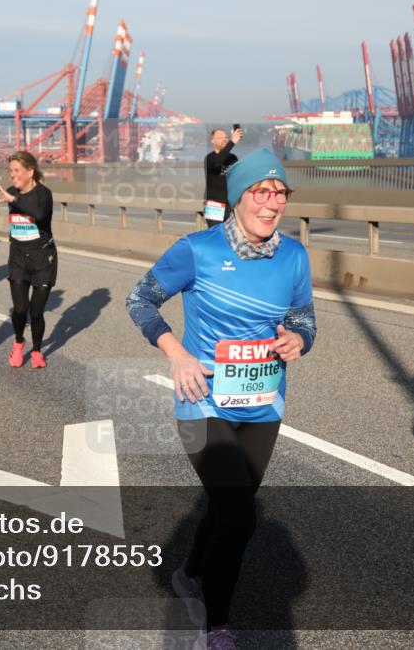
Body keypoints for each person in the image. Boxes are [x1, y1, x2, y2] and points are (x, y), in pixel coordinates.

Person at [126, 148, 315, 650]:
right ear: (239, 197)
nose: (272, 203)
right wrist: (175, 352)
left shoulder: (294, 256)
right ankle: (219, 627)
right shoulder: (197, 250)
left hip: (263, 404)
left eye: (280, 194)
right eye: (261, 192)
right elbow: (139, 298)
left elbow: (303, 318)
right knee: (239, 515)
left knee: (229, 504)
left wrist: (299, 340)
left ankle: (189, 571)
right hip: (201, 401)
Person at [0, 151, 56, 369]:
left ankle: (37, 350)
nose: (12, 175)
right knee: (20, 309)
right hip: (19, 258)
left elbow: (38, 214)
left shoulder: (44, 194)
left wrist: (14, 200)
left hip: (43, 259)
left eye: (17, 170)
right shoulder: (11, 192)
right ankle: (19, 341)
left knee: (36, 312)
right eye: (10, 171)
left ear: (30, 172)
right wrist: (12, 198)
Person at [203, 127, 243, 227]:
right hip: (214, 206)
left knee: (232, 238)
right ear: (212, 140)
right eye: (220, 137)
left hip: (232, 205)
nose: (225, 139)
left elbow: (239, 179)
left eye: (226, 137)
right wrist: (232, 142)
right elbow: (217, 162)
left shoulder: (233, 158)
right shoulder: (209, 158)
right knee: (216, 236)